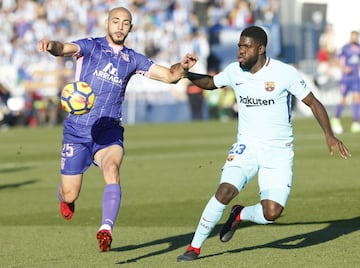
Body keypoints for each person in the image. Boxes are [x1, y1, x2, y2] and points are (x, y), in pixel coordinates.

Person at [177, 25, 351, 262]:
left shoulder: (284, 73)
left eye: (246, 47)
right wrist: (186, 74)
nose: (240, 51)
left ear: (261, 49)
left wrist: (329, 135)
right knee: (224, 190)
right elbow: (211, 82)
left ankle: (239, 214)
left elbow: (314, 103)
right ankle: (194, 247)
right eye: (239, 46)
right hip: (247, 146)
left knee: (272, 213)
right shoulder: (235, 71)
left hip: (279, 152)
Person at [36, 7, 197, 252]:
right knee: (70, 194)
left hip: (108, 130)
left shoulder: (133, 59)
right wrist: (51, 46)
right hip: (77, 131)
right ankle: (64, 198)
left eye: (125, 23)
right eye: (116, 21)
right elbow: (63, 48)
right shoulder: (90, 46)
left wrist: (182, 67)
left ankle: (106, 229)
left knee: (111, 169)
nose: (120, 26)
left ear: (130, 28)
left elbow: (169, 76)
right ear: (107, 24)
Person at [330, 30, 360, 134]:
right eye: (353, 36)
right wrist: (344, 67)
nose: (354, 38)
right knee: (344, 100)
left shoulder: (359, 48)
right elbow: (336, 61)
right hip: (346, 78)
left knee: (357, 99)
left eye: (356, 36)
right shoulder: (345, 48)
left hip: (355, 78)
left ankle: (355, 123)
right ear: (350, 37)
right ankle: (336, 119)